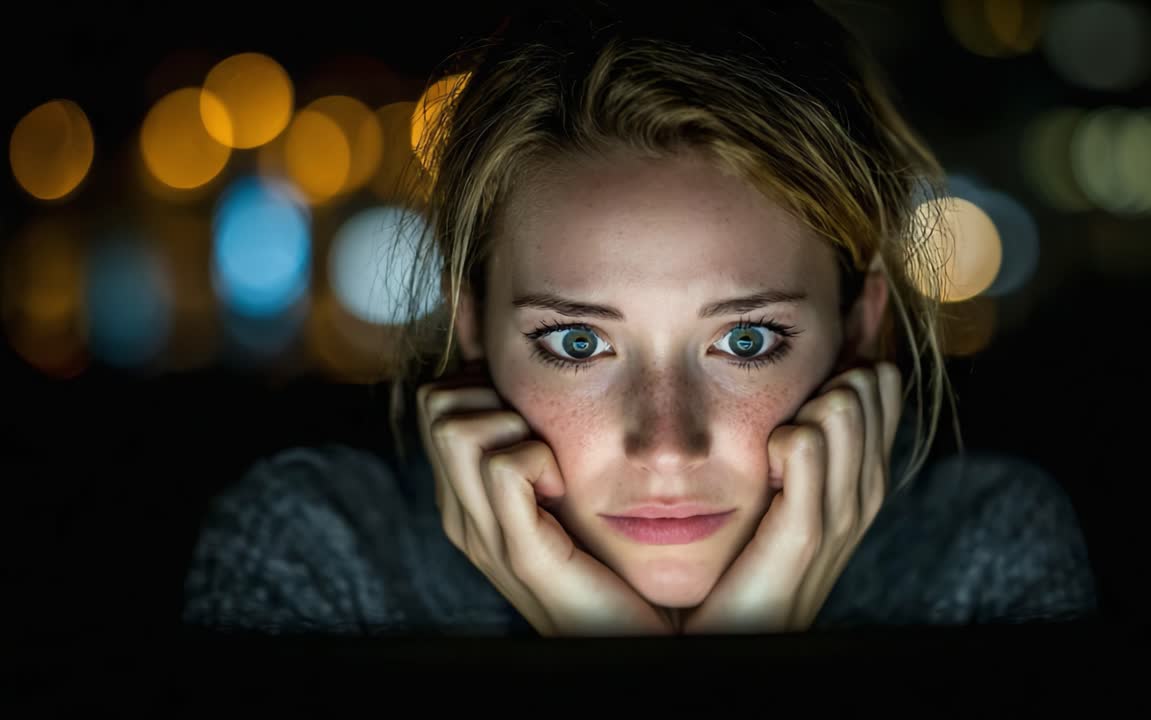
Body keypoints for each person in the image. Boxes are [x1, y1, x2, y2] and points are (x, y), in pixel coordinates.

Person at [182, 0, 1098, 637]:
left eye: (745, 340)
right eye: (578, 342)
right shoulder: (318, 556)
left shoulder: (984, 557)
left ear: (859, 327)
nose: (666, 445)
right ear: (473, 325)